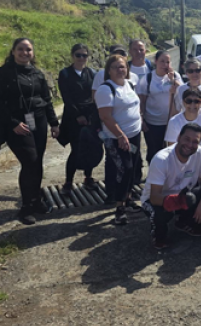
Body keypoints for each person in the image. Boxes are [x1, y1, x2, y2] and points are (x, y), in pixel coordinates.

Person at [0, 38, 59, 225]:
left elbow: (46, 99)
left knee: (38, 163)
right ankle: (26, 206)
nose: (24, 53)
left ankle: (36, 200)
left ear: (33, 53)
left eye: (28, 49)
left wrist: (53, 123)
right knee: (30, 161)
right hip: (16, 125)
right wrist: (13, 123)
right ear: (13, 51)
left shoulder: (37, 74)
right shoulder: (1, 75)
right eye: (20, 49)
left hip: (39, 121)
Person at [142, 123, 201, 248]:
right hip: (159, 200)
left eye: (195, 141)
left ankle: (186, 223)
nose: (190, 145)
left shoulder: (200, 153)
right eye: (187, 139)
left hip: (184, 196)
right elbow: (154, 197)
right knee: (161, 220)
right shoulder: (162, 159)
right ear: (178, 137)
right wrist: (176, 201)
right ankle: (159, 234)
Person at [95, 54, 143, 226]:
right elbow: (105, 116)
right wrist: (120, 136)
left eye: (122, 66)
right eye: (115, 67)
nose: (120, 70)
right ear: (109, 70)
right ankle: (119, 208)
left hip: (134, 134)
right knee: (125, 169)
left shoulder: (129, 84)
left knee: (133, 167)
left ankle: (128, 198)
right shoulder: (105, 89)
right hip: (117, 138)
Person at [57, 43, 98, 195]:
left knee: (90, 147)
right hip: (73, 118)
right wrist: (78, 115)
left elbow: (95, 95)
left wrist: (90, 115)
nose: (81, 58)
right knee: (76, 149)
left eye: (84, 55)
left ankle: (88, 177)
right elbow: (67, 98)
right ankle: (68, 182)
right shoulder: (65, 74)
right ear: (72, 56)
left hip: (89, 116)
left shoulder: (92, 73)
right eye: (78, 55)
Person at [137, 50, 182, 165]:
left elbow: (183, 91)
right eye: (162, 61)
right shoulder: (147, 79)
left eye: (168, 62)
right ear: (155, 61)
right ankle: (152, 176)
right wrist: (142, 119)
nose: (165, 65)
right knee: (153, 151)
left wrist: (173, 81)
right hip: (152, 122)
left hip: (171, 121)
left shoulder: (175, 76)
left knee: (170, 150)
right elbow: (141, 101)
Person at [165, 87, 201, 163]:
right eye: (189, 101)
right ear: (183, 102)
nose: (192, 105)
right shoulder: (174, 121)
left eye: (197, 101)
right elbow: (173, 149)